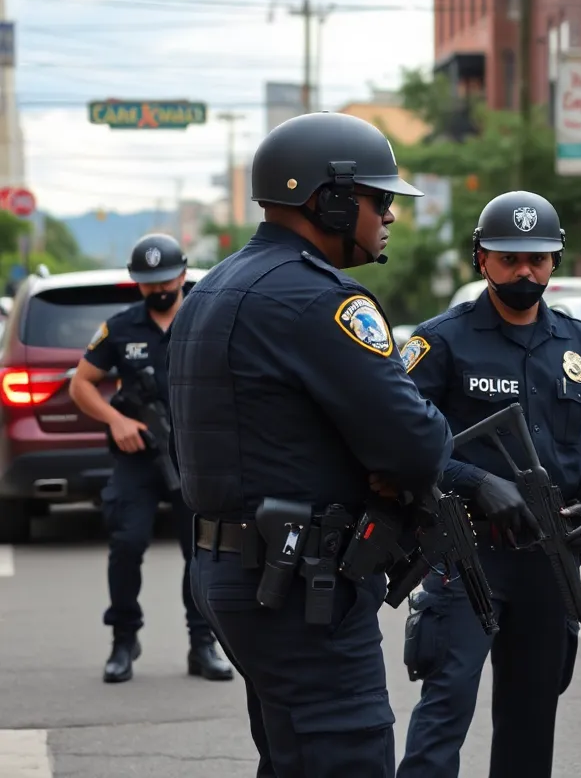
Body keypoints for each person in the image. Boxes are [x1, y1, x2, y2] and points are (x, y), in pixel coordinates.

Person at [166, 111, 453, 778]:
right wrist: (381, 461)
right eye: (379, 200)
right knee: (346, 757)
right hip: (298, 586)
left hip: (235, 571)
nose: (388, 216)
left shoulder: (213, 288)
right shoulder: (319, 302)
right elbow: (417, 446)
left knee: (292, 758)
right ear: (329, 200)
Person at [397, 190, 581, 778]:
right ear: (481, 258)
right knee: (443, 716)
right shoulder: (440, 341)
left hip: (547, 559)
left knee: (531, 722)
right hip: (465, 555)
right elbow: (398, 439)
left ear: (555, 260)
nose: (524, 271)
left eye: (538, 258)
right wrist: (475, 481)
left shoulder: (580, 344)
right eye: (509, 258)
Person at [69, 233, 233, 685]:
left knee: (200, 552)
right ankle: (124, 639)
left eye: (165, 279)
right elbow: (81, 384)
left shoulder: (207, 320)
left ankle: (203, 644)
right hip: (138, 455)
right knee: (126, 543)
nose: (157, 288)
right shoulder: (120, 327)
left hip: (195, 456)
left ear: (183, 274)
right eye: (147, 282)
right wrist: (115, 421)